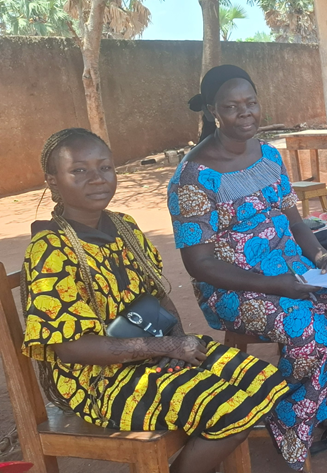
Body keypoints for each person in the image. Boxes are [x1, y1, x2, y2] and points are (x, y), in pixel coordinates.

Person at [22, 128, 289, 473]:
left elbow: (158, 295)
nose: (97, 178)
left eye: (105, 167)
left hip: (151, 352)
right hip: (99, 381)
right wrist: (167, 346)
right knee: (230, 409)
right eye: (79, 170)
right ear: (53, 181)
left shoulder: (124, 226)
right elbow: (71, 349)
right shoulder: (51, 250)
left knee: (265, 381)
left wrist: (176, 345)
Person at [170, 65, 327, 470]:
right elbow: (199, 264)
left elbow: (296, 223)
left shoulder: (269, 155)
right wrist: (275, 285)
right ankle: (286, 418)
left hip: (296, 273)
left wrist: (323, 260)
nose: (245, 113)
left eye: (251, 102)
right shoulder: (193, 177)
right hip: (235, 289)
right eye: (231, 106)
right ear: (212, 111)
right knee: (311, 329)